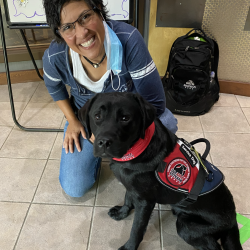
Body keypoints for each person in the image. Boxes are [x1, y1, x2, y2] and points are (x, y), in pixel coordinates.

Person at [42, 0, 178, 199]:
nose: (81, 33)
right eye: (68, 27)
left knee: (166, 124)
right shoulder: (54, 57)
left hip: (126, 118)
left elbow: (155, 104)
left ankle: (129, 159)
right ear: (59, 33)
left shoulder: (129, 39)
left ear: (99, 10)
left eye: (85, 17)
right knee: (74, 187)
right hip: (89, 120)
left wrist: (123, 136)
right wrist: (73, 120)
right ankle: (101, 158)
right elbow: (54, 88)